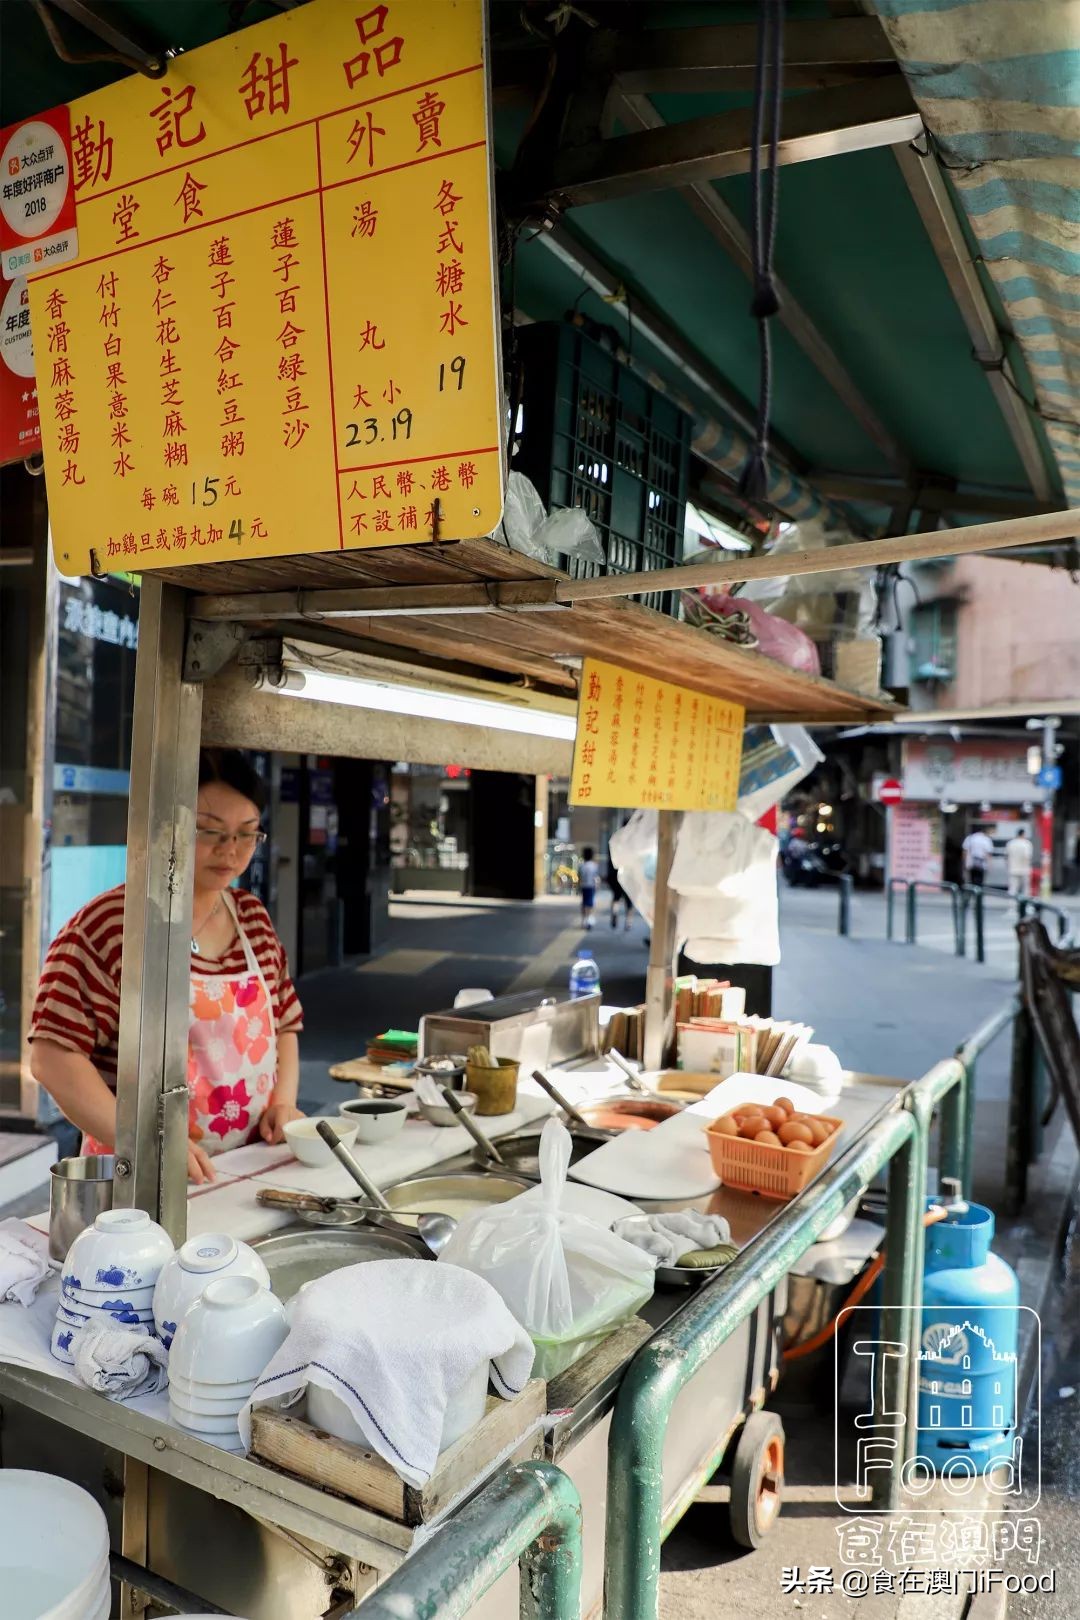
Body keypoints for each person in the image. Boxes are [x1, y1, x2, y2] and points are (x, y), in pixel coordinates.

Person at [29, 749, 305, 1185]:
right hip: (140, 1176)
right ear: (166, 827)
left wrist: (284, 1103)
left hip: (249, 1167)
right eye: (210, 831)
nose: (229, 850)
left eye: (247, 834)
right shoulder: (111, 926)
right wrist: (146, 1142)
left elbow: (286, 1020)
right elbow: (53, 1057)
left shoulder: (251, 918)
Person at [1006, 825, 1035, 899]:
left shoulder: (1011, 843)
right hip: (1024, 869)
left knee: (1013, 889)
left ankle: (1012, 907)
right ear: (1023, 834)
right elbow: (1028, 856)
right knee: (1026, 889)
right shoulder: (1026, 844)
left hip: (1013, 869)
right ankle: (1026, 907)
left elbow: (1006, 856)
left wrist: (1008, 866)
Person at [607, 853, 632, 930]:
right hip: (628, 881)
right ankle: (628, 921)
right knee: (629, 903)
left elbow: (611, 869)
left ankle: (615, 913)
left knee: (616, 899)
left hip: (616, 880)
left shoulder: (616, 854)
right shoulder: (630, 856)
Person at [579, 846, 599, 929]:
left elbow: (579, 877)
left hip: (584, 886)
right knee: (590, 903)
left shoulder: (582, 865)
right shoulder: (594, 865)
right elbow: (596, 877)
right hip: (591, 886)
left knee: (584, 902)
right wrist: (597, 886)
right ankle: (589, 918)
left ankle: (584, 919)